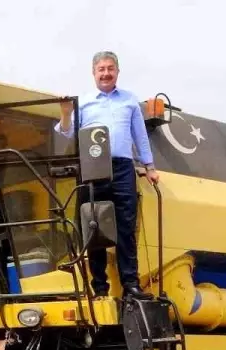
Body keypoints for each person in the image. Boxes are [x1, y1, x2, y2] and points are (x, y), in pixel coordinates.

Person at [55, 50, 157, 301]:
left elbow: (140, 136)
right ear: (93, 73)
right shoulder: (84, 102)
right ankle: (100, 287)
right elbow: (66, 134)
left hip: (123, 168)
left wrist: (150, 166)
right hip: (93, 169)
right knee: (93, 226)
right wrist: (66, 112)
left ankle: (131, 285)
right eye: (101, 69)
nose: (106, 73)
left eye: (110, 68)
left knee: (125, 227)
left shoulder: (130, 101)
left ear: (117, 72)